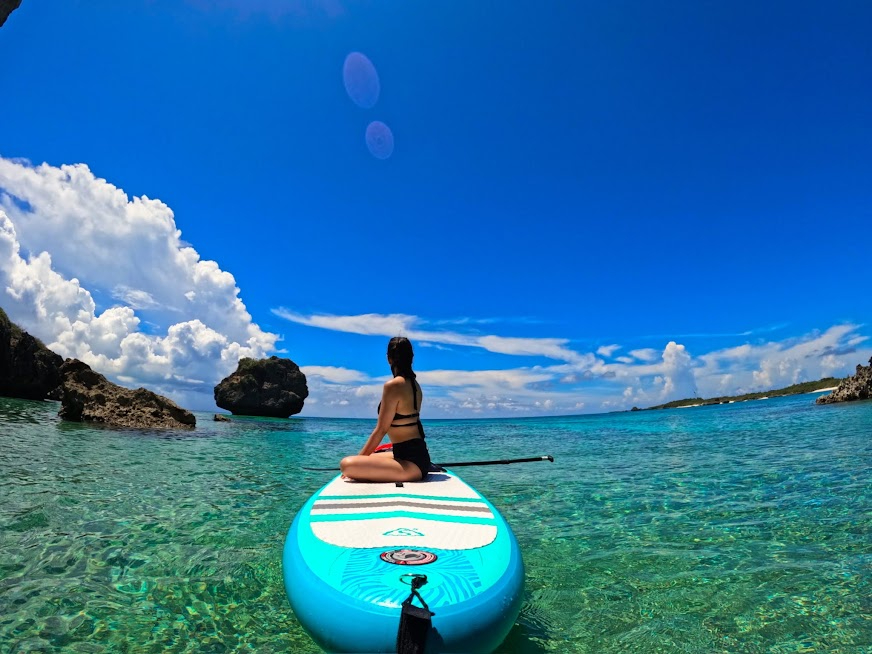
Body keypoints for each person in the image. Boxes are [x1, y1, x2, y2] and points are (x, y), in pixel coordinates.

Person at [340, 337, 431, 482]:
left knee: (347, 464)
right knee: (371, 456)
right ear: (411, 358)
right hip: (417, 455)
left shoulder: (393, 386)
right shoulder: (415, 386)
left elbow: (381, 430)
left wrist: (356, 464)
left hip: (412, 464)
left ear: (389, 359)